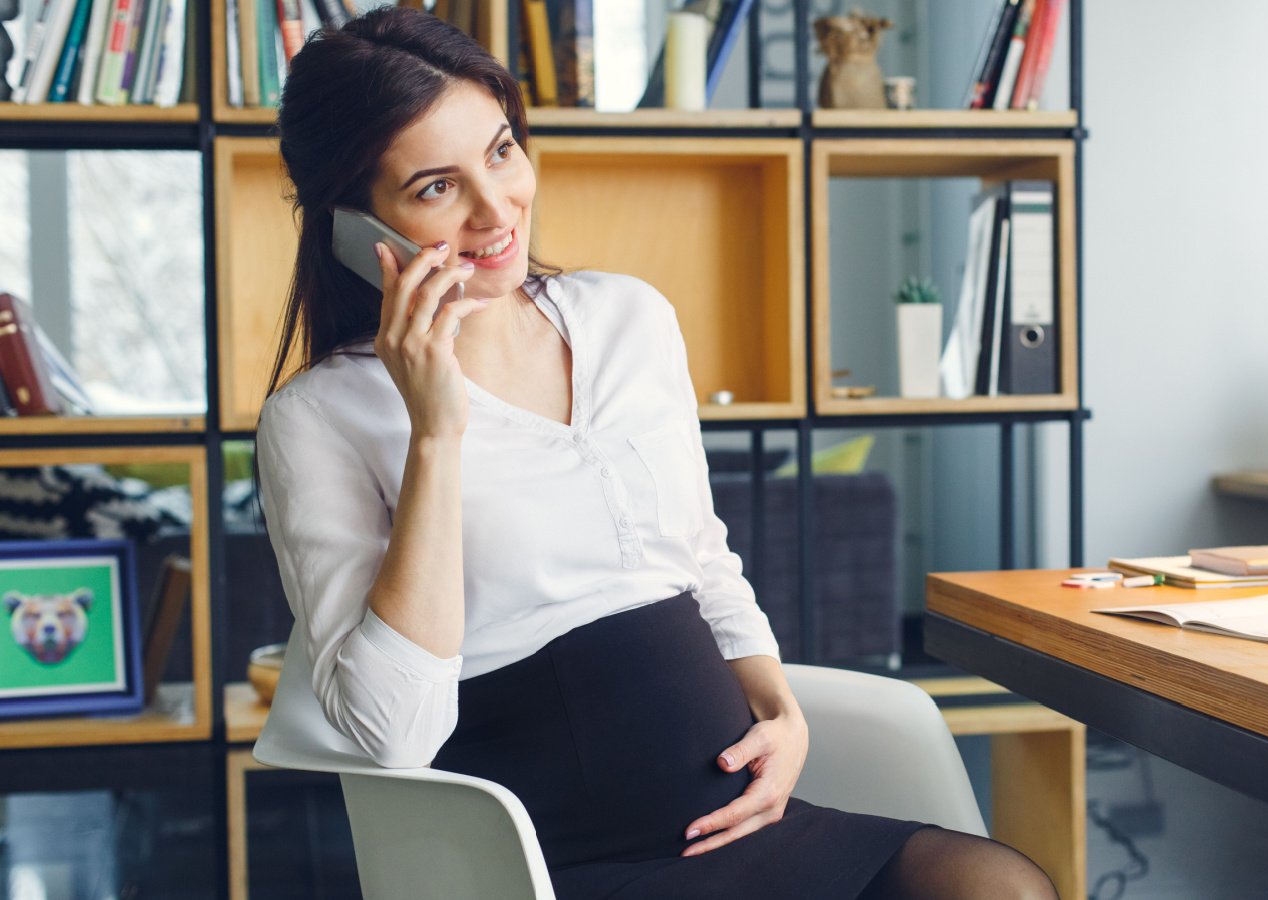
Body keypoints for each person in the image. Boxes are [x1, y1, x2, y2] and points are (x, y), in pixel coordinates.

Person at [254, 8, 1057, 899]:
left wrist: (779, 706)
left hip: (744, 825)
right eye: (437, 187)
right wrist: (434, 432)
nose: (497, 209)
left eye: (502, 150)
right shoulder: (319, 417)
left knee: (997, 886)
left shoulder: (628, 316)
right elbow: (390, 734)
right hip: (541, 861)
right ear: (356, 222)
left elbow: (700, 557)